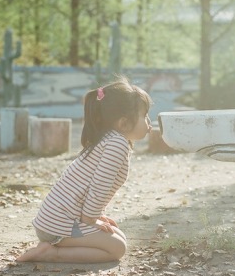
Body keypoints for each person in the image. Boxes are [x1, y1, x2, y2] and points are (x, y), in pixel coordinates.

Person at [17, 77, 153, 263]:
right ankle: (52, 253)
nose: (148, 122)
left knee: (118, 236)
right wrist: (91, 219)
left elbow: (93, 186)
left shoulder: (110, 139)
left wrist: (98, 216)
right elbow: (99, 186)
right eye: (144, 116)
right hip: (58, 224)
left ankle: (57, 245)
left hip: (56, 220)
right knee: (117, 249)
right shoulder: (117, 144)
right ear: (124, 123)